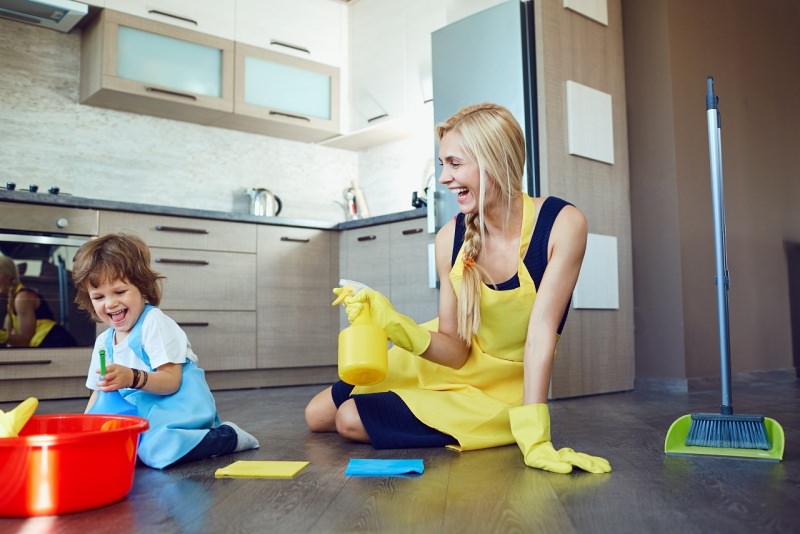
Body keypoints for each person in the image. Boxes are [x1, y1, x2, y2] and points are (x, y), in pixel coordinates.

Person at [305, 103, 611, 474]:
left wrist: (535, 436)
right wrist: (392, 324)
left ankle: (490, 422)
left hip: (497, 390)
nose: (445, 178)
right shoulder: (450, 238)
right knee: (317, 414)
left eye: (455, 163)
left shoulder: (560, 224)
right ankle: (420, 398)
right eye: (442, 165)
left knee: (349, 419)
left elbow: (540, 335)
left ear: (493, 159)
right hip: (449, 362)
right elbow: (455, 352)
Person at [72, 233, 259, 469]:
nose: (109, 303)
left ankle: (228, 437)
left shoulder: (154, 323)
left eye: (119, 292)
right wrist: (86, 430)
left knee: (154, 448)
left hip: (177, 408)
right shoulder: (103, 343)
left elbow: (172, 381)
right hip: (143, 413)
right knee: (108, 448)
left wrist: (131, 377)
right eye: (98, 297)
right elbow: (97, 396)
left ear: (141, 287)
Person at [0, 255, 77, 348]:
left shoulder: (22, 298)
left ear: (6, 275)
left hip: (56, 344)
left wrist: (3, 336)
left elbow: (24, 340)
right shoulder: (11, 299)